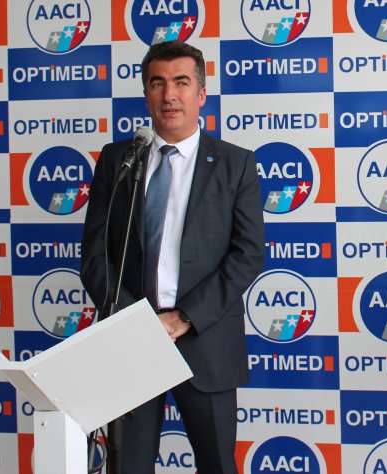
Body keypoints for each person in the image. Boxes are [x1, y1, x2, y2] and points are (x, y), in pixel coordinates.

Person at [81, 40, 265, 474]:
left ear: (201, 93)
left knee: (217, 464)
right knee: (127, 466)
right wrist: (136, 322)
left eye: (181, 82)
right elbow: (95, 254)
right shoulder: (117, 160)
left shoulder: (235, 164)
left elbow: (247, 254)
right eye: (157, 83)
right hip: (132, 341)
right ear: (146, 94)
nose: (169, 95)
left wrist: (183, 318)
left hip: (206, 340)